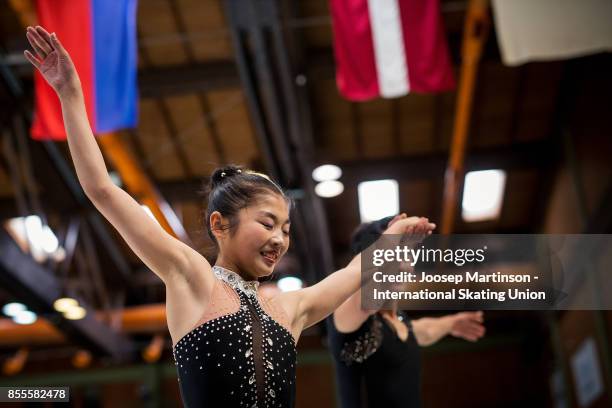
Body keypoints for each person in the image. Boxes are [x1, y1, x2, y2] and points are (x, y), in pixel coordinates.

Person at [24, 26, 436, 408]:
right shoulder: (190, 276)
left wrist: (393, 237)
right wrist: (70, 94)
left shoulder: (289, 310)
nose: (280, 239)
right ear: (220, 225)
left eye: (286, 229)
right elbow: (102, 190)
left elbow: (352, 274)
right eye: (268, 223)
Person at [327, 215, 486, 408]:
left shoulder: (399, 321)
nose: (401, 260)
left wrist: (450, 323)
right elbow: (367, 303)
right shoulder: (349, 315)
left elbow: (421, 331)